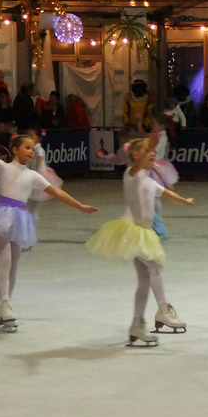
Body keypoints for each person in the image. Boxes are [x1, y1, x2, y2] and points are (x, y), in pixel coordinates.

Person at [0, 121, 97, 332]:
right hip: (0, 215)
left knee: (14, 263)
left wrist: (79, 206)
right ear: (15, 149)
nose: (31, 151)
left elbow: (57, 192)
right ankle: (4, 302)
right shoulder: (3, 167)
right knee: (5, 258)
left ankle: (5, 306)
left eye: (32, 148)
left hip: (19, 218)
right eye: (27, 148)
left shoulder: (33, 176)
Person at [85, 134, 195, 347]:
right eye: (147, 150)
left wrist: (184, 201)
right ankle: (163, 309)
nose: (152, 153)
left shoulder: (148, 180)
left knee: (145, 279)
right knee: (156, 267)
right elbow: (134, 168)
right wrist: (138, 159)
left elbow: (165, 193)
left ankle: (137, 324)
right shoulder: (131, 174)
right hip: (133, 232)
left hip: (143, 232)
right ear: (136, 155)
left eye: (152, 151)